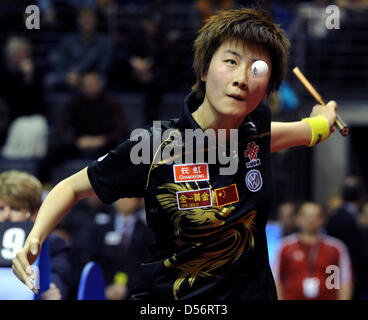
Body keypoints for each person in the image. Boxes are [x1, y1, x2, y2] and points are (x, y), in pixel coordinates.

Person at [12, 8, 338, 300]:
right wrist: (33, 239)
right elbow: (70, 187)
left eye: (257, 69)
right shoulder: (155, 147)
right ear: (204, 70)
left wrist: (322, 121)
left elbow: (300, 131)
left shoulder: (258, 129)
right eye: (231, 61)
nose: (242, 78)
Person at [0, 170, 72, 300]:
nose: (6, 216)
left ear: (35, 213)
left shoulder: (53, 244)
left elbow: (57, 278)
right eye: (0, 208)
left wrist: (52, 289)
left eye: (15, 208)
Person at [273, 201, 353, 300]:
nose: (311, 220)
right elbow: (276, 279)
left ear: (322, 219)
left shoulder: (336, 248)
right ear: (298, 219)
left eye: (315, 216)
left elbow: (345, 280)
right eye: (306, 216)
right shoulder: (284, 246)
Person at [90, 197, 154, 300]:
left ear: (137, 201)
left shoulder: (146, 232)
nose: (124, 201)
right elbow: (95, 260)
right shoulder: (101, 228)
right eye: (120, 198)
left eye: (129, 198)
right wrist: (104, 287)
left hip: (135, 292)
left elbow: (146, 264)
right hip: (105, 290)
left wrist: (128, 287)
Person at [44, 7, 113, 91]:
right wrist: (68, 75)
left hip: (93, 77)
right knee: (50, 80)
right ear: (78, 21)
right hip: (69, 76)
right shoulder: (68, 40)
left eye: (90, 18)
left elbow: (104, 67)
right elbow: (60, 63)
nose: (87, 21)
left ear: (96, 21)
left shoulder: (105, 42)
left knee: (101, 81)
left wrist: (83, 76)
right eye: (84, 18)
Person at [325, 175, 367, 299]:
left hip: (339, 273)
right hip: (341, 274)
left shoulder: (340, 216)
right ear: (361, 196)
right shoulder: (343, 218)